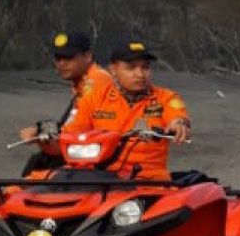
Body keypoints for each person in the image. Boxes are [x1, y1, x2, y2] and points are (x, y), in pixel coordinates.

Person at [61, 40, 191, 180]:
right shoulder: (94, 99)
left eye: (145, 67)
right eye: (131, 67)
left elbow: (178, 117)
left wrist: (179, 125)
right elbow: (70, 135)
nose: (140, 74)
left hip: (148, 180)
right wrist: (43, 137)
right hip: (100, 177)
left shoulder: (166, 98)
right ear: (113, 69)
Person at [19, 30, 113, 177]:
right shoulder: (81, 83)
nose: (62, 64)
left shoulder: (95, 81)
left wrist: (40, 131)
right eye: (58, 58)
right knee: (38, 161)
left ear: (88, 56)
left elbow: (76, 129)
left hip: (93, 156)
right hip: (84, 150)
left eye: (69, 58)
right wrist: (41, 129)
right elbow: (69, 124)